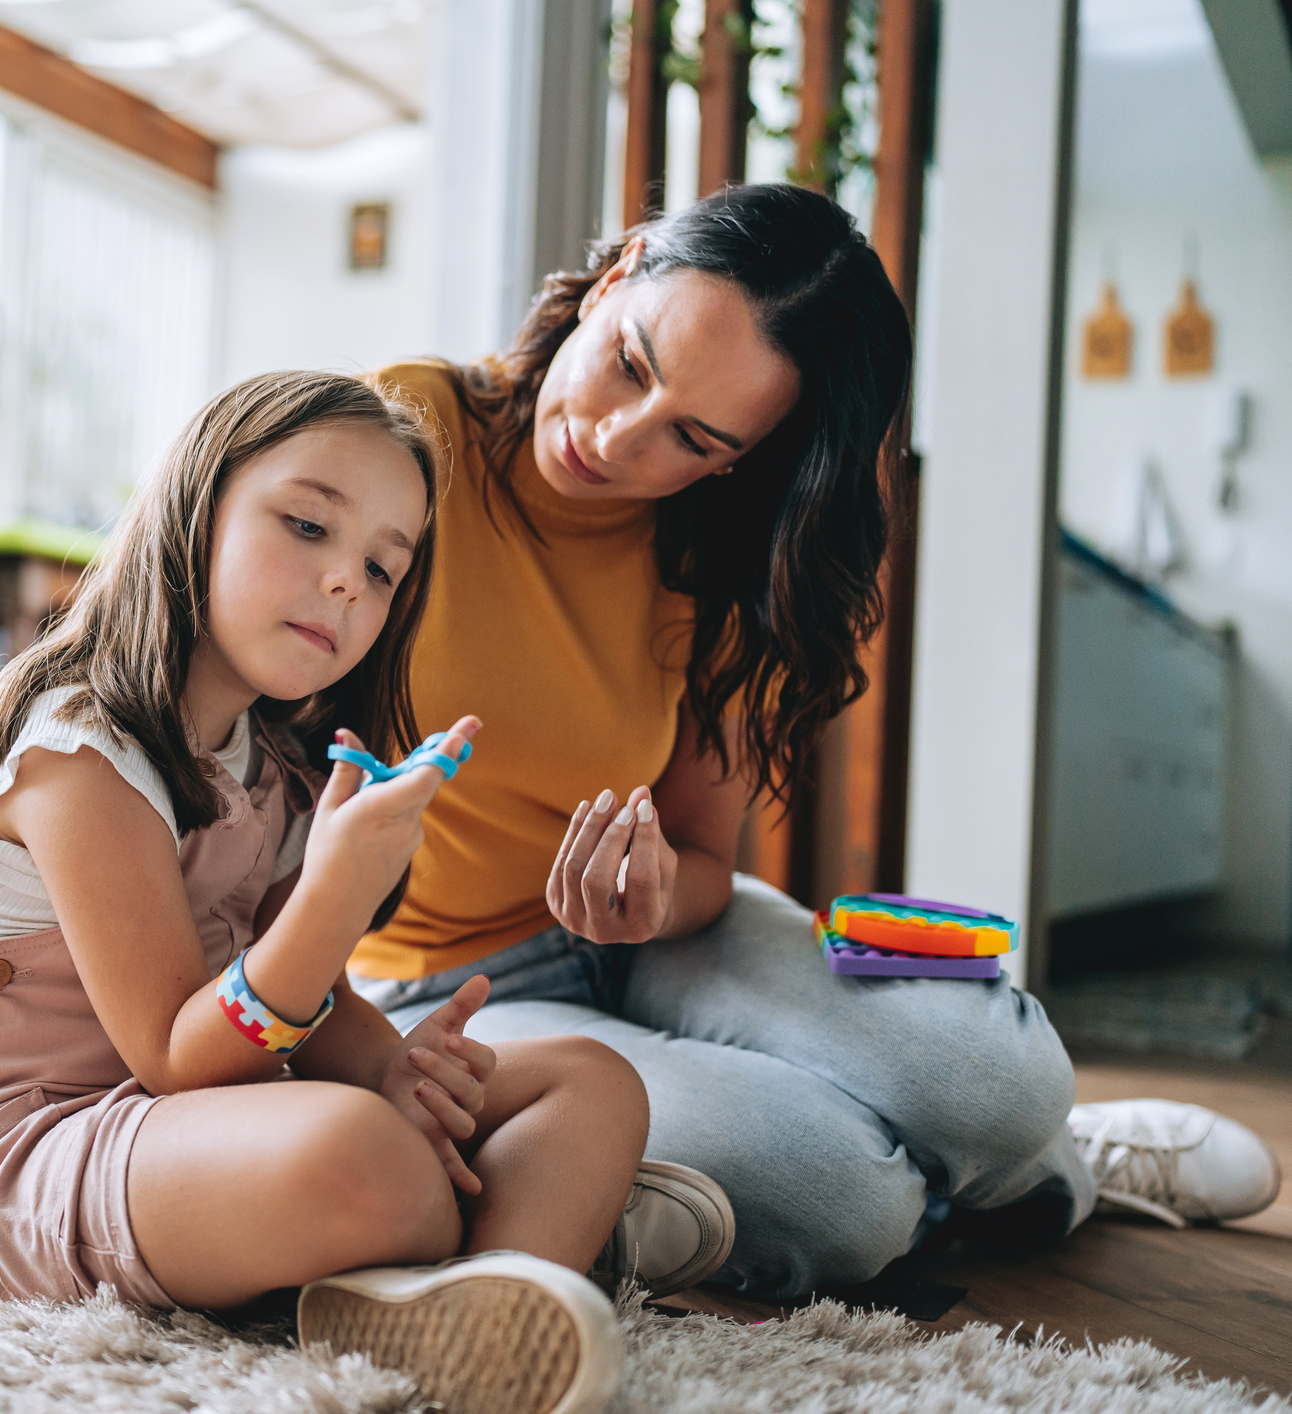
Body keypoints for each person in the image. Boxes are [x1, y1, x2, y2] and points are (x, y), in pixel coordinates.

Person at [350, 182, 1282, 1300]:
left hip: (655, 938)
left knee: (1005, 1080)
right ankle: (1015, 1181)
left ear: (741, 457)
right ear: (616, 277)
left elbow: (702, 859)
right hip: (447, 987)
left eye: (694, 437)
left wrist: (652, 900)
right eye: (630, 362)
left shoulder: (727, 556)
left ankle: (1027, 1146)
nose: (614, 435)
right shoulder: (399, 436)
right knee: (843, 1197)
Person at [0, 371, 650, 1414]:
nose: (345, 582)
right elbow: (177, 1055)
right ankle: (539, 1226)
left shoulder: (272, 767)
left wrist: (397, 1065)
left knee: (591, 1081)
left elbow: (305, 1012)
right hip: (30, 1149)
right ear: (197, 507)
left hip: (201, 1120)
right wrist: (338, 890)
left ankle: (480, 1305)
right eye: (308, 524)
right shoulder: (76, 748)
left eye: (381, 567)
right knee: (369, 1158)